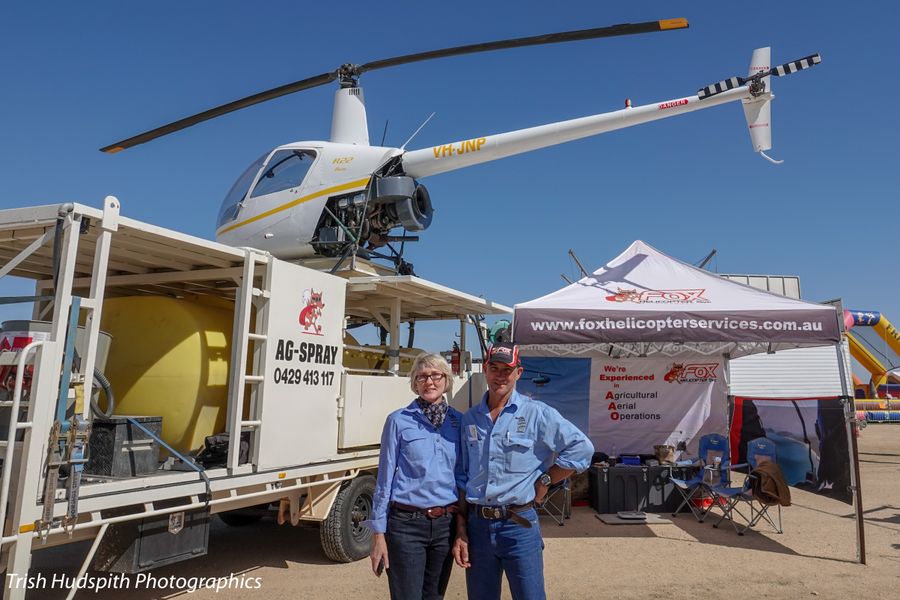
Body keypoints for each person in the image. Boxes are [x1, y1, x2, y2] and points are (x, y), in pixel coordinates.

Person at [452, 342, 594, 600]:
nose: (499, 376)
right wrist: (461, 528)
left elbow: (581, 449)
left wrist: (547, 479)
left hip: (518, 526)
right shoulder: (470, 419)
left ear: (519, 372)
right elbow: (462, 476)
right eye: (494, 368)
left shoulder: (537, 414)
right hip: (478, 528)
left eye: (507, 370)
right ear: (485, 370)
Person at [366, 353, 463, 600]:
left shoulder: (458, 422)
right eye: (421, 377)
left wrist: (462, 527)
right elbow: (384, 479)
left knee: (434, 596)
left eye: (435, 375)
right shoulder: (398, 421)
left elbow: (462, 477)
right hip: (406, 526)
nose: (429, 381)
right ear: (415, 383)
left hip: (444, 526)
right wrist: (378, 534)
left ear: (446, 380)